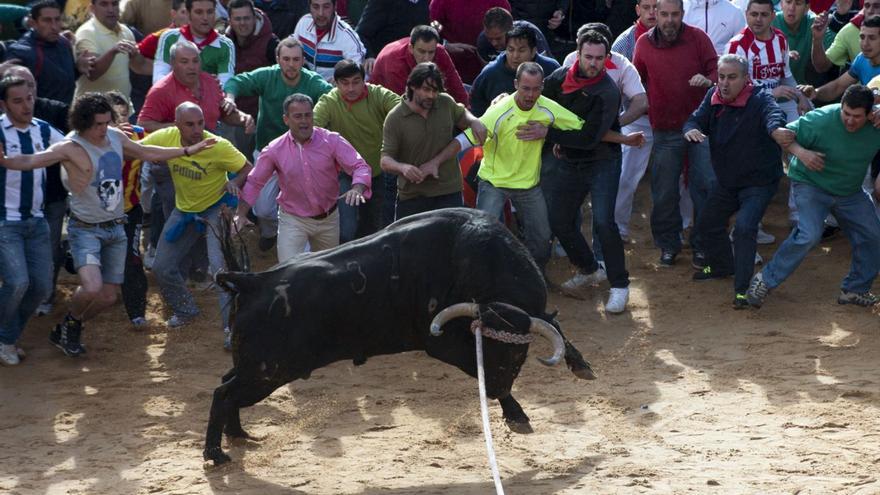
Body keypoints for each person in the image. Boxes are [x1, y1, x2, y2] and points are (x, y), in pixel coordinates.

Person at [0, 92, 215, 357]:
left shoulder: (115, 136)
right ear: (83, 123)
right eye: (97, 125)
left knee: (108, 297)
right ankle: (69, 324)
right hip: (85, 229)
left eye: (106, 122)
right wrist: (7, 161)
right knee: (91, 287)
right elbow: (34, 159)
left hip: (116, 227)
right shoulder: (70, 145)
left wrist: (185, 150)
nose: (104, 129)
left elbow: (146, 151)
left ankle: (70, 324)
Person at [418, 62, 583, 270]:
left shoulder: (549, 108)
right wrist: (435, 162)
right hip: (494, 183)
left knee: (542, 240)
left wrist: (553, 135)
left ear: (542, 86)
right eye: (525, 88)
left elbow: (581, 128)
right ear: (516, 84)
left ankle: (531, 276)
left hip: (528, 185)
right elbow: (465, 139)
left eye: (535, 89)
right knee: (483, 234)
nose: (530, 95)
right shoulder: (499, 112)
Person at [747, 85, 880, 308]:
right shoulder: (821, 119)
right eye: (845, 113)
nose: (849, 120)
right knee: (809, 234)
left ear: (869, 114)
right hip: (812, 184)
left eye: (857, 116)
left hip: (849, 191)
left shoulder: (876, 124)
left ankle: (855, 289)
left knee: (873, 235)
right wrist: (802, 153)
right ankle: (764, 280)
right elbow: (782, 135)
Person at [140, 102, 251, 347]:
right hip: (185, 210)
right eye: (190, 124)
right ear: (177, 125)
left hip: (216, 209)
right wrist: (119, 133)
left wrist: (234, 183)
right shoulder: (166, 137)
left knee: (219, 270)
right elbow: (137, 149)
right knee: (161, 266)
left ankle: (232, 328)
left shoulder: (218, 145)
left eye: (200, 123)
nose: (197, 129)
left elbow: (247, 169)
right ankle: (185, 309)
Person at [684, 54, 788, 308]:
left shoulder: (761, 98)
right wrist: (690, 128)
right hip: (728, 181)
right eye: (721, 77)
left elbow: (774, 115)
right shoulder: (713, 97)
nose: (725, 83)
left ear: (746, 78)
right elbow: (695, 118)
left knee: (744, 228)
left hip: (758, 183)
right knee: (707, 224)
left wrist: (777, 129)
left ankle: (742, 290)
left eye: (732, 77)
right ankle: (721, 266)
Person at [542, 32, 632, 313]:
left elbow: (590, 137)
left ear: (607, 60)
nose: (593, 63)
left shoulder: (608, 91)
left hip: (602, 161)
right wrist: (556, 138)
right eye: (588, 57)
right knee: (559, 220)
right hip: (570, 160)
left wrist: (551, 135)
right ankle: (590, 268)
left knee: (604, 223)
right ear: (578, 55)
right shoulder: (557, 79)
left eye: (598, 58)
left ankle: (619, 285)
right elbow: (544, 110)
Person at [224, 37, 333, 249]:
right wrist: (230, 98)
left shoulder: (312, 81)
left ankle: (300, 250)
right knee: (263, 208)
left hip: (303, 154)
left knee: (305, 205)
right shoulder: (267, 76)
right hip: (268, 150)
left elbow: (332, 97)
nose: (291, 64)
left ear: (303, 60)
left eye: (295, 59)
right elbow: (236, 82)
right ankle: (271, 232)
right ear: (277, 59)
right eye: (286, 59)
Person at [632, 0, 719, 268]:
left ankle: (703, 245)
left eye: (675, 14)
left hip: (698, 127)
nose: (669, 20)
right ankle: (668, 245)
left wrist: (709, 81)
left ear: (683, 14)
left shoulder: (698, 38)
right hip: (665, 129)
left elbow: (717, 70)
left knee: (705, 185)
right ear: (655, 14)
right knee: (664, 191)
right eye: (665, 14)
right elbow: (637, 81)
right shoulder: (643, 44)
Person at [237, 93, 372, 262]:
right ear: (286, 119)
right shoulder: (274, 150)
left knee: (327, 271)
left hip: (328, 219)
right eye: (298, 116)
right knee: (289, 270)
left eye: (308, 115)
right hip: (293, 220)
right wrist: (241, 213)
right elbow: (254, 182)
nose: (304, 121)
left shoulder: (331, 140)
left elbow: (360, 166)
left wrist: (358, 187)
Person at [0, 75, 65, 365]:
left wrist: (111, 134)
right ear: (3, 105)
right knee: (17, 283)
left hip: (36, 221)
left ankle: (7, 338)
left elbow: (72, 145)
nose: (26, 106)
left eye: (29, 98)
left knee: (40, 287)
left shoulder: (42, 128)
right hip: (5, 222)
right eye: (17, 101)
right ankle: (5, 339)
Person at [380, 62, 485, 219]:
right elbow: (385, 160)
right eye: (426, 90)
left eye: (435, 91)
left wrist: (474, 120)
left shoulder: (445, 102)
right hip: (413, 196)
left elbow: (462, 114)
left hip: (449, 191)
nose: (431, 96)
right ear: (412, 86)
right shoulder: (396, 118)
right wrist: (403, 168)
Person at [313, 60, 400, 241]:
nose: (351, 88)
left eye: (356, 81)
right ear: (335, 83)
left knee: (377, 227)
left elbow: (402, 109)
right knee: (346, 230)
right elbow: (310, 129)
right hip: (345, 173)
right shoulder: (329, 101)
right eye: (345, 83)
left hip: (379, 172)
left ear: (364, 80)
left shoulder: (377, 94)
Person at [139, 40, 254, 133]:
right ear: (173, 63)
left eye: (195, 61)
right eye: (184, 62)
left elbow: (223, 112)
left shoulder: (210, 81)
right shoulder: (161, 90)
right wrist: (178, 127)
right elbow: (143, 124)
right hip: (174, 154)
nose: (191, 67)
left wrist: (243, 118)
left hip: (210, 149)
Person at [727, 0, 811, 123]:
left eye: (764, 15)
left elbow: (787, 77)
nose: (758, 19)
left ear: (773, 16)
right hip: (745, 108)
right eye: (754, 14)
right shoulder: (736, 46)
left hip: (775, 104)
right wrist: (770, 93)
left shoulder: (780, 39)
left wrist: (801, 96)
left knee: (809, 117)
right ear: (746, 15)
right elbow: (732, 90)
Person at [3, 0, 89, 105]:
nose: (54, 26)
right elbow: (11, 96)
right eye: (47, 20)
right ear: (33, 23)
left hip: (67, 116)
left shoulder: (64, 43)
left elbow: (58, 81)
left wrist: (77, 69)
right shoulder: (21, 52)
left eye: (57, 19)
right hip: (37, 119)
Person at [225, 0, 280, 157]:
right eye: (238, 19)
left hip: (264, 121)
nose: (243, 23)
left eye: (247, 18)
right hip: (234, 117)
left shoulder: (271, 44)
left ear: (254, 18)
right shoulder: (223, 42)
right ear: (230, 21)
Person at [470, 24, 560, 116]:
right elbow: (476, 107)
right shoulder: (490, 73)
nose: (515, 56)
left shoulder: (551, 68)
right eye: (511, 50)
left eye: (521, 50)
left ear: (533, 51)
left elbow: (562, 104)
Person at [370, 25, 469, 105]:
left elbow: (455, 85)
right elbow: (405, 106)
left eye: (431, 52)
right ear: (411, 48)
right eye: (421, 52)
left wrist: (467, 113)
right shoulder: (395, 65)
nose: (426, 58)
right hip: (382, 104)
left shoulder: (440, 51)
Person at [74, 0, 152, 99]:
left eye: (114, 4)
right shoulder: (86, 33)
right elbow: (92, 73)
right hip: (93, 112)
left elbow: (139, 66)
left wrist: (169, 69)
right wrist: (113, 51)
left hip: (123, 110)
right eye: (104, 4)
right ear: (92, 9)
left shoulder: (125, 31)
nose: (111, 10)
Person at [153, 0, 237, 86]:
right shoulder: (169, 38)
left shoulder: (225, 45)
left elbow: (224, 86)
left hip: (208, 98)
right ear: (188, 14)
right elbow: (158, 80)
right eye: (199, 12)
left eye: (210, 12)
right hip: (172, 97)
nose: (205, 17)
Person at [800, 16, 880, 100]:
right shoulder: (861, 59)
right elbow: (837, 87)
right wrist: (815, 92)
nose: (865, 43)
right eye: (862, 37)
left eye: (872, 38)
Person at [291, 0, 368, 81]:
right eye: (315, 7)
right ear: (309, 7)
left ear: (334, 7)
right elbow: (292, 50)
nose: (321, 13)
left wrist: (340, 81)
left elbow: (360, 75)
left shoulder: (347, 36)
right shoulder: (303, 23)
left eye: (326, 7)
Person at [771, 0, 836, 89]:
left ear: (807, 8)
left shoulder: (816, 23)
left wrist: (817, 40)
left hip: (800, 91)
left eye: (798, 3)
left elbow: (823, 67)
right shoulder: (769, 21)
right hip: (769, 90)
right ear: (781, 4)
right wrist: (782, 56)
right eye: (788, 2)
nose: (791, 8)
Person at [811, 0, 880, 73]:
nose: (870, 11)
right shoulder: (849, 31)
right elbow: (822, 67)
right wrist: (817, 39)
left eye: (877, 6)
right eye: (867, 5)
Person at [354, 0, 429, 63]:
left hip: (415, 63)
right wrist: (369, 56)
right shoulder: (383, 2)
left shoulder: (423, 2)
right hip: (385, 63)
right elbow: (361, 33)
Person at [476, 7, 551, 63]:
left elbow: (545, 67)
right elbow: (489, 75)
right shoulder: (482, 42)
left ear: (511, 30)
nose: (494, 43)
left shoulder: (529, 34)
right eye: (489, 38)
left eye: (498, 38)